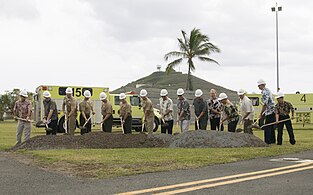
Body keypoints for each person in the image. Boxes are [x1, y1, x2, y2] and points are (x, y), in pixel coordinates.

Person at [257, 79, 276, 144]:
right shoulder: (268, 90)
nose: (258, 87)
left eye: (259, 85)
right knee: (271, 126)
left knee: (267, 126)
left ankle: (267, 141)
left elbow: (265, 104)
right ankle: (272, 140)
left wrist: (261, 113)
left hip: (269, 111)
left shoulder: (265, 92)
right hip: (273, 110)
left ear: (262, 85)